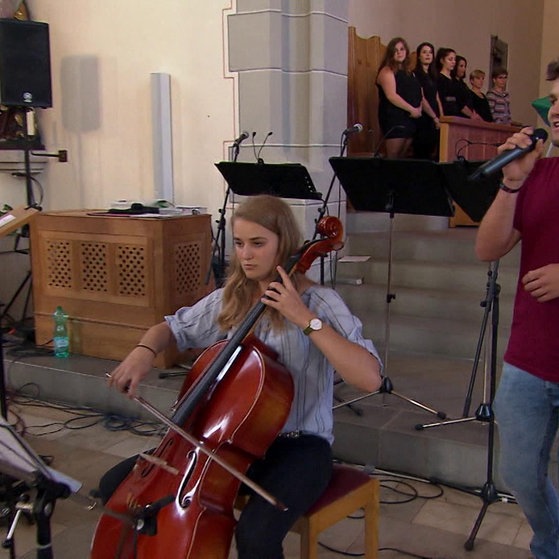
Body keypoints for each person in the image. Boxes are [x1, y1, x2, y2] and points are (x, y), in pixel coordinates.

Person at [99, 194, 383, 558]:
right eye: (239, 244)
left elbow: (370, 378)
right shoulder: (231, 297)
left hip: (299, 447)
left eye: (258, 244)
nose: (246, 255)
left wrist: (304, 320)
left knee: (256, 536)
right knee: (117, 486)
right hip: (225, 442)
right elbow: (168, 329)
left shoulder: (320, 303)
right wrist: (143, 352)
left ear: (285, 244)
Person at [475, 58, 559, 559]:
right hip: (530, 357)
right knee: (520, 475)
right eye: (556, 101)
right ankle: (551, 544)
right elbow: (488, 249)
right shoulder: (540, 173)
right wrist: (511, 183)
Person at [376, 36, 422, 158]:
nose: (399, 52)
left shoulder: (409, 72)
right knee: (393, 156)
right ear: (390, 53)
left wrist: (419, 109)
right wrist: (412, 110)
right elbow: (391, 96)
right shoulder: (387, 71)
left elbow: (418, 92)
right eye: (395, 50)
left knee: (402, 157)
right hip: (394, 117)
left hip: (410, 118)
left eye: (402, 49)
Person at [413, 41, 443, 159]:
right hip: (424, 118)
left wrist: (441, 117)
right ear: (419, 56)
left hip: (435, 116)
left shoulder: (433, 75)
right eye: (424, 52)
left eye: (430, 52)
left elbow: (436, 97)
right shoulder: (416, 74)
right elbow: (421, 98)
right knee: (423, 151)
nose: (428, 55)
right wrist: (434, 118)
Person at [436, 47, 469, 118]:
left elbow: (459, 101)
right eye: (450, 59)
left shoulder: (454, 80)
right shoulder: (439, 78)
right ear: (442, 60)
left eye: (454, 59)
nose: (453, 62)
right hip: (445, 115)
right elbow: (439, 99)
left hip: (455, 116)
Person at [452, 55, 480, 119]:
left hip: (468, 117)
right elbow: (459, 103)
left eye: (465, 66)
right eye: (461, 66)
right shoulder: (453, 83)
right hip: (459, 117)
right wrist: (471, 115)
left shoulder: (463, 84)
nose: (464, 69)